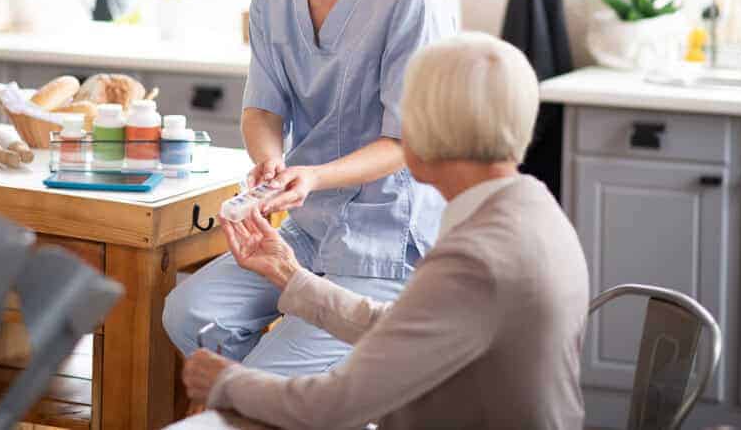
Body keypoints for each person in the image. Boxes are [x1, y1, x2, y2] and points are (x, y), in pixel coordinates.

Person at [177, 33, 591, 430]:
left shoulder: (477, 259)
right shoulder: (531, 209)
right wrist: (290, 275)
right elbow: (405, 330)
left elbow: (330, 407)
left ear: (429, 127)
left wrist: (227, 382)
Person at [161, 0, 454, 377]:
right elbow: (262, 108)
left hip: (384, 237)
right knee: (192, 314)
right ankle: (313, 407)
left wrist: (314, 175)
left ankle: (301, 403)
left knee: (270, 377)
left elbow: (405, 142)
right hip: (306, 224)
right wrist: (269, 158)